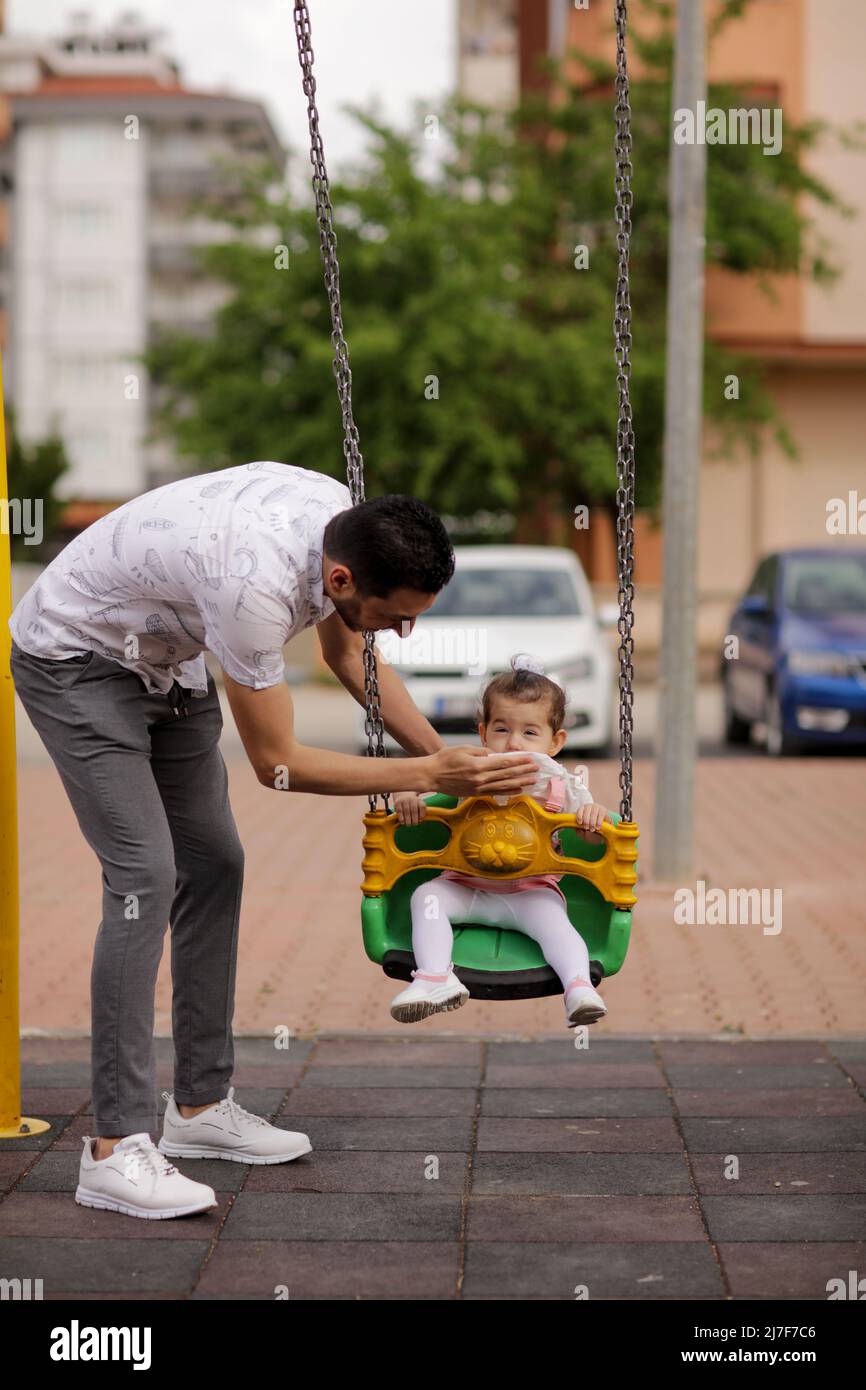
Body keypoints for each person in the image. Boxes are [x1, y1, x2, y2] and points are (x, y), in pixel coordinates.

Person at [8, 460, 538, 1220]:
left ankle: (196, 1109)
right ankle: (111, 1149)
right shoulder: (251, 586)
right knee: (143, 880)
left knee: (215, 864)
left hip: (169, 657)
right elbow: (278, 765)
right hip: (75, 658)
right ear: (345, 577)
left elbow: (348, 654)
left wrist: (460, 763)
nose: (404, 631)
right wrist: (429, 770)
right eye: (398, 616)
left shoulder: (336, 523)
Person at [389, 653, 612, 1029]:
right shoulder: (468, 774)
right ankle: (434, 978)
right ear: (483, 733)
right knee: (426, 898)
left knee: (559, 928)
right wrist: (412, 803)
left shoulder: (562, 786)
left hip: (530, 891)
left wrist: (593, 818)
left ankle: (578, 988)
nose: (512, 744)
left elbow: (590, 838)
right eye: (501, 730)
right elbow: (430, 799)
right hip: (464, 886)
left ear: (555, 741)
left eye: (529, 733)